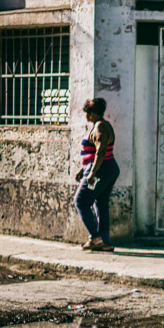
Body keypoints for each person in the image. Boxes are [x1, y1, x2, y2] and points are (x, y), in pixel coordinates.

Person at [74, 98, 119, 251]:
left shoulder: (100, 127)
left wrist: (92, 173)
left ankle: (94, 238)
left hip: (101, 170)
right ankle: (105, 241)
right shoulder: (101, 125)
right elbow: (93, 153)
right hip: (105, 168)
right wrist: (83, 169)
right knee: (100, 203)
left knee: (80, 201)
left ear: (92, 114)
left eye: (87, 113)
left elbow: (101, 151)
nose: (86, 116)